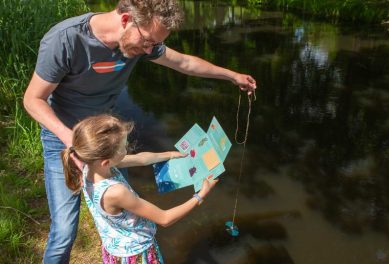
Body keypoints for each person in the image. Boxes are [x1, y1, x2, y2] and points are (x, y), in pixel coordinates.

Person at [23, 0, 256, 262]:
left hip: (105, 140)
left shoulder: (144, 42)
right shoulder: (66, 39)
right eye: (147, 42)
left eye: (154, 45)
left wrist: (232, 75)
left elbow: (184, 63)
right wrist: (73, 143)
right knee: (65, 230)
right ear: (125, 20)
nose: (149, 50)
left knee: (118, 210)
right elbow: (33, 100)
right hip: (64, 139)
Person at [61, 114, 217, 263]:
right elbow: (165, 218)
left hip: (115, 247)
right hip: (135, 253)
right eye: (123, 147)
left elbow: (141, 159)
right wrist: (200, 195)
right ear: (106, 161)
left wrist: (170, 154)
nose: (127, 148)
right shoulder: (116, 192)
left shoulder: (90, 168)